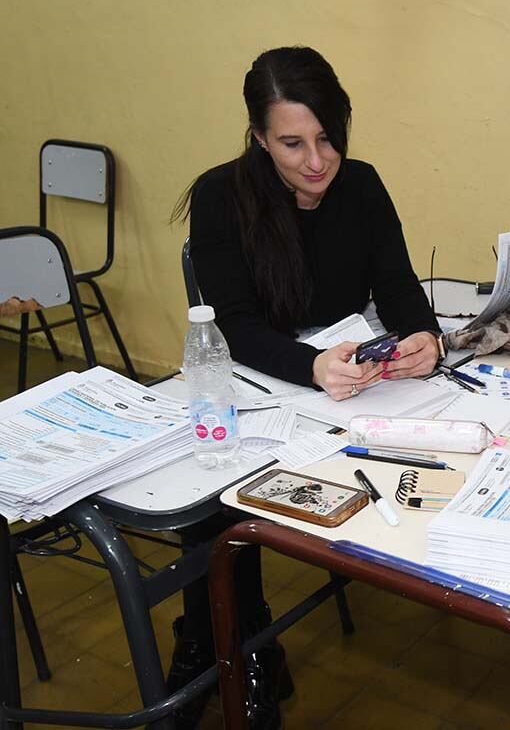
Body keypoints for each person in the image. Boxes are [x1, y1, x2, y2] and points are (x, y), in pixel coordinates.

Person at [171, 46, 443, 729]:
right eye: (292, 142)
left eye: (327, 138)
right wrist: (313, 366)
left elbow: (399, 285)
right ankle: (235, 640)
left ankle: (220, 646)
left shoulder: (363, 185)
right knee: (214, 496)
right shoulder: (220, 196)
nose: (317, 160)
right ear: (259, 137)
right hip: (268, 383)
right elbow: (233, 324)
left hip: (348, 391)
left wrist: (425, 338)